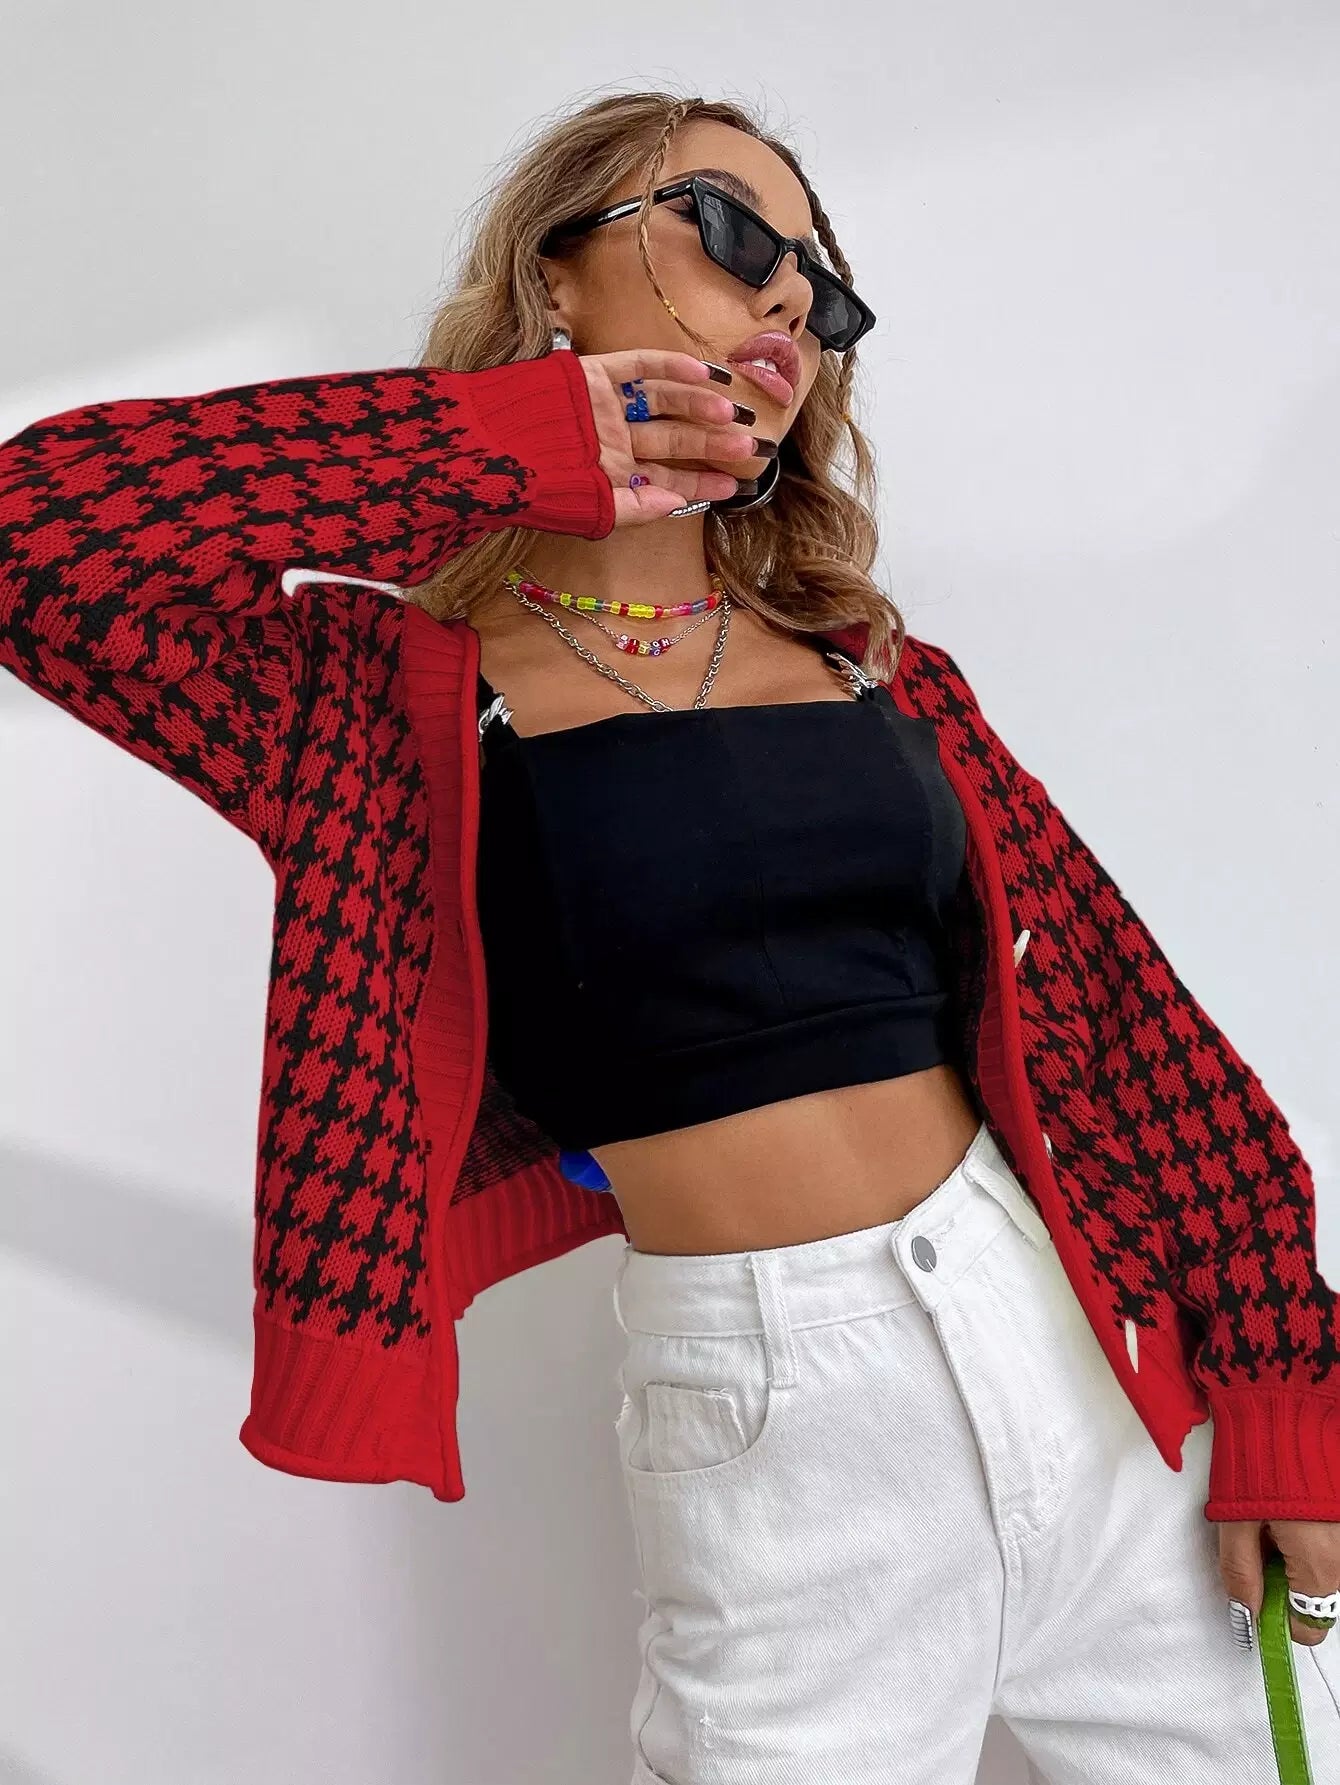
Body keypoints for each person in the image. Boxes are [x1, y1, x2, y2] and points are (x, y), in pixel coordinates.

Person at [3, 87, 1337, 1784]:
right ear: (556, 275)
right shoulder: (366, 704)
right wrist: (508, 443)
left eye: (822, 288)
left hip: (1095, 1377)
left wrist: (1286, 1388)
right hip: (778, 1433)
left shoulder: (882, 676)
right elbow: (34, 532)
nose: (787, 294)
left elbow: (1130, 1029)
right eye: (730, 229)